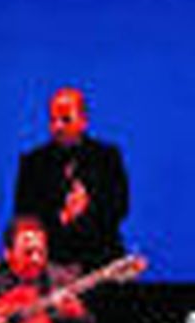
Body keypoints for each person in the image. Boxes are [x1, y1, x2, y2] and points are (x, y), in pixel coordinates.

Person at [13, 87, 130, 271]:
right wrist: (63, 217)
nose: (58, 127)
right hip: (51, 264)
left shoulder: (107, 158)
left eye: (66, 120)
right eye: (53, 120)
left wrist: (86, 209)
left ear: (83, 121)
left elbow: (119, 208)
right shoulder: (32, 163)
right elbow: (25, 219)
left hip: (101, 260)